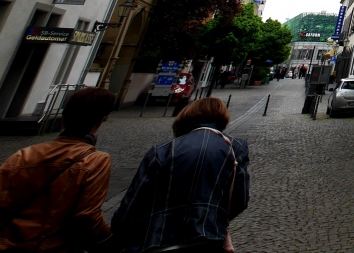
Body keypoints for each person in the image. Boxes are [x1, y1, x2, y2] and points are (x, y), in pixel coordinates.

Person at [111, 98, 249, 253]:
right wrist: (215, 217)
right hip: (208, 236)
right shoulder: (235, 148)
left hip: (158, 237)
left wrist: (117, 234)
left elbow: (134, 201)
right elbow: (240, 199)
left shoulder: (163, 149)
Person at [0, 86, 116, 252]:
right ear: (99, 122)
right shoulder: (94, 160)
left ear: (63, 120)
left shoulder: (22, 155)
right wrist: (110, 245)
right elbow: (87, 218)